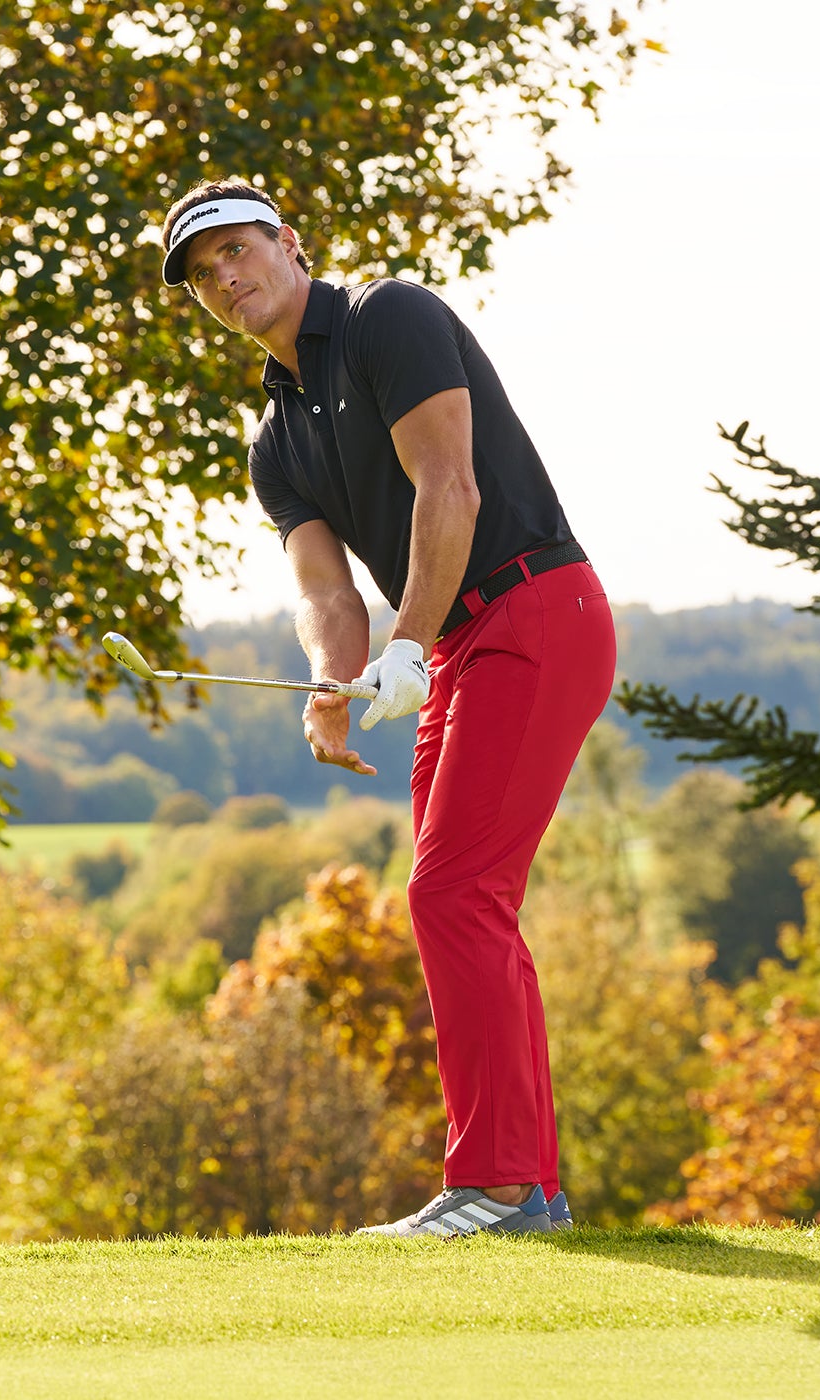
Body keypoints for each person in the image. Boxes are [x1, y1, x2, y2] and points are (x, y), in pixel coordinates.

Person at [160, 180, 616, 1236]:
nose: (225, 278)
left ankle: (495, 1186)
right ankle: (530, 1187)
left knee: (452, 892)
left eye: (237, 250)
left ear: (288, 243)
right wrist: (334, 676)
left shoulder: (385, 317)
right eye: (202, 274)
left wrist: (405, 642)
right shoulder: (274, 441)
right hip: (458, 646)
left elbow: (448, 486)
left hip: (535, 610)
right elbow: (326, 591)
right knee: (466, 902)